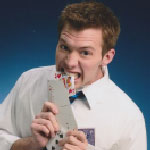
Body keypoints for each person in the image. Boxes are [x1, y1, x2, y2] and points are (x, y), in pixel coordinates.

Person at [0, 1, 147, 150]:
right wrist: (30, 144)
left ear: (107, 57)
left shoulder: (129, 117)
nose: (70, 63)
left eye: (85, 53)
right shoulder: (28, 82)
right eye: (65, 47)